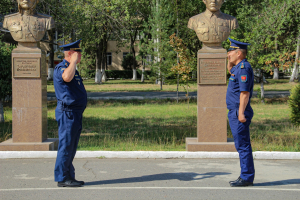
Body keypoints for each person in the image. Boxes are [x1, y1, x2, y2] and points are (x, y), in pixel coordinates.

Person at [53, 39, 87, 187]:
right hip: (68, 113)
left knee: (71, 147)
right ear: (71, 54)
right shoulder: (62, 68)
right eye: (78, 54)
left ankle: (69, 176)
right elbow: (66, 78)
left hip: (75, 114)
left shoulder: (71, 68)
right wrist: (72, 62)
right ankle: (62, 178)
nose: (80, 57)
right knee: (66, 146)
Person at [226, 38, 255, 187]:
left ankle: (246, 177)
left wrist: (241, 113)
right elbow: (230, 70)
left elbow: (244, 93)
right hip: (235, 111)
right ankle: (246, 175)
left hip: (239, 112)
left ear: (239, 53)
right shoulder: (238, 67)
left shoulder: (243, 68)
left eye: (230, 51)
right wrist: (230, 61)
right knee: (241, 144)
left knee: (243, 145)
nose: (228, 54)